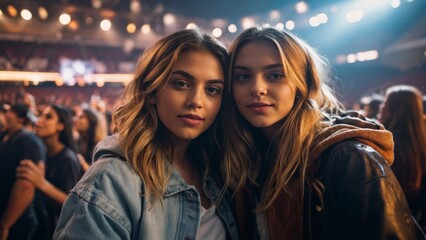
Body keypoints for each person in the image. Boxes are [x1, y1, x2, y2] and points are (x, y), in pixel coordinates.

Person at [222, 27, 424, 239]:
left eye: (275, 75)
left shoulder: (351, 159)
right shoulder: (242, 160)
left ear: (304, 83)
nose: (257, 88)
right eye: (243, 76)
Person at [54, 28, 239, 239]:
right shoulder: (110, 182)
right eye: (181, 84)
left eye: (212, 89)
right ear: (151, 90)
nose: (196, 101)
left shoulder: (220, 169)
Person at [16, 105, 83, 238]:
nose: (39, 121)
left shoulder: (68, 159)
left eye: (48, 117)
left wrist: (42, 183)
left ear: (60, 126)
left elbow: (73, 202)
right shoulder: (41, 151)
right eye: (40, 115)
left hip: (56, 230)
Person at [379, 85, 426, 231]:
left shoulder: (392, 148)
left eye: (385, 102)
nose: (381, 106)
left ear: (397, 110)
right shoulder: (419, 142)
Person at [0, 103, 46, 240]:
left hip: (17, 221)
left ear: (20, 118)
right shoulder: (6, 136)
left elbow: (26, 185)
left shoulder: (28, 141)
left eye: (10, 112)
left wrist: (5, 225)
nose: (5, 115)